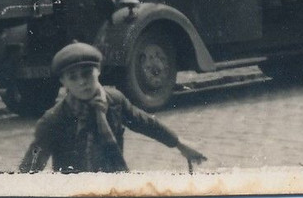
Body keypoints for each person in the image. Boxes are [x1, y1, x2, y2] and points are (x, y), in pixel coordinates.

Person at [19, 43, 206, 173]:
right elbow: (32, 164)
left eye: (87, 74)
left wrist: (179, 144)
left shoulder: (114, 101)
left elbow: (145, 123)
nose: (82, 82)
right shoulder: (54, 119)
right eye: (73, 77)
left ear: (98, 71)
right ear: (63, 81)